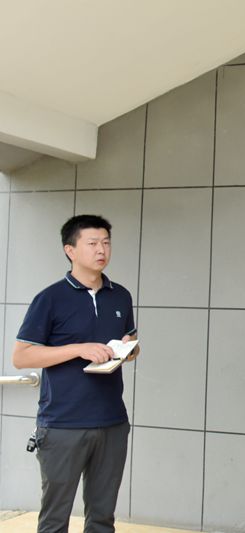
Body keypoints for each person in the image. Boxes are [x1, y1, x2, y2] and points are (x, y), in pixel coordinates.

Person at [12, 214, 139, 533]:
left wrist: (129, 349)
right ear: (70, 250)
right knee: (55, 520)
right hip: (62, 424)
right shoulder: (50, 298)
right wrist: (78, 349)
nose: (102, 250)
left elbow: (131, 341)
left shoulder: (120, 296)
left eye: (106, 242)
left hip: (112, 422)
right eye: (92, 243)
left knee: (102, 519)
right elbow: (21, 357)